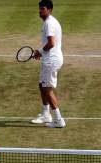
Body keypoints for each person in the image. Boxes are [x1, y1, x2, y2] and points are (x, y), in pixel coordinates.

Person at [30, 0, 65, 128]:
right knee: (42, 85)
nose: (40, 10)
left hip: (51, 60)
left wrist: (39, 51)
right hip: (49, 59)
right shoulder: (49, 22)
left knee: (47, 89)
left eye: (43, 8)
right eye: (39, 8)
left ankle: (58, 120)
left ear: (49, 10)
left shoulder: (49, 23)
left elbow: (51, 43)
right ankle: (46, 114)